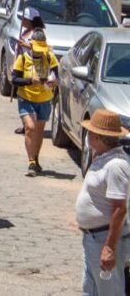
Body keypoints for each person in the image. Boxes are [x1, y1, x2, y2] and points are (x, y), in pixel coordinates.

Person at [76, 109, 130, 296]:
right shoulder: (102, 157)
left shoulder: (116, 165)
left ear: (98, 136)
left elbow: (119, 209)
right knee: (90, 289)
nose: (87, 136)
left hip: (104, 238)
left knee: (109, 292)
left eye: (90, 132)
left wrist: (109, 247)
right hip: (93, 237)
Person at [12, 30, 58, 176]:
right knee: (30, 127)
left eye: (41, 50)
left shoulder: (50, 57)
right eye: (36, 49)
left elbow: (57, 74)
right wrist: (30, 81)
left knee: (39, 131)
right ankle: (31, 162)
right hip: (26, 98)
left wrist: (54, 82)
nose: (39, 53)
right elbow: (14, 79)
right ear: (31, 45)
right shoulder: (22, 59)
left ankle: (36, 159)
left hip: (44, 99)